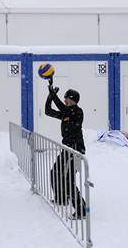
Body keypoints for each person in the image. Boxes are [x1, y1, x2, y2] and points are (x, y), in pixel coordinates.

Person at [45, 85, 87, 219]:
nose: (64, 101)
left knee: (68, 180)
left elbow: (64, 109)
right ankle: (61, 198)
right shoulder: (66, 112)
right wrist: (49, 97)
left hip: (75, 150)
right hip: (67, 149)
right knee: (55, 172)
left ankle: (81, 210)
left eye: (66, 99)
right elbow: (48, 111)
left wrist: (53, 95)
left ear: (72, 100)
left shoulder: (77, 112)